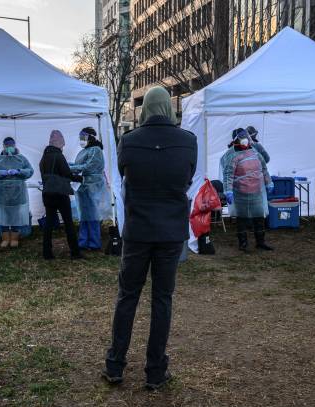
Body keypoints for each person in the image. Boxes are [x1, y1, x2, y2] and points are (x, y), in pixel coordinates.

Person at [103, 86, 197, 390]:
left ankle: (115, 364)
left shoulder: (129, 141)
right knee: (162, 299)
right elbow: (188, 177)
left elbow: (123, 171)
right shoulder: (187, 142)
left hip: (138, 229)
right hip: (170, 230)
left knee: (127, 296)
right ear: (169, 108)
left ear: (144, 111)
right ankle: (155, 371)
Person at [223, 128, 274, 252]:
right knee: (242, 218)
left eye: (245, 136)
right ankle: (243, 243)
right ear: (236, 139)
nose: (245, 139)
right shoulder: (232, 154)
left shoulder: (254, 151)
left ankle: (260, 242)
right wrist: (228, 191)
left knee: (259, 217)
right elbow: (228, 174)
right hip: (240, 192)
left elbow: (264, 168)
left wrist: (269, 182)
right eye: (241, 137)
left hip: (257, 191)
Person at [39, 130, 83, 260]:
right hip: (60, 194)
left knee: (48, 224)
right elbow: (67, 174)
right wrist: (80, 178)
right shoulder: (58, 155)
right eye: (62, 144)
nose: (63, 147)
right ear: (59, 143)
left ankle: (47, 253)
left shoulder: (44, 157)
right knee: (68, 223)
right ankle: (75, 252)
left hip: (47, 193)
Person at [0, 137, 34, 248]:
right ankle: (5, 238)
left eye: (11, 145)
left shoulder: (21, 158)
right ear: (3, 146)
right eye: (7, 145)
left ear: (15, 145)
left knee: (16, 216)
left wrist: (19, 171)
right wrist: (0, 172)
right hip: (2, 194)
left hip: (18, 193)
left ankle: (14, 239)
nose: (9, 147)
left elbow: (30, 171)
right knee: (3, 216)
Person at [69, 127, 112, 250]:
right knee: (84, 215)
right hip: (83, 187)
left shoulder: (96, 150)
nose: (81, 140)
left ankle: (94, 243)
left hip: (93, 186)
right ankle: (83, 242)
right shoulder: (84, 151)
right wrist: (69, 164)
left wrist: (70, 168)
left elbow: (89, 167)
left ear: (91, 137)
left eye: (84, 138)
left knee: (93, 215)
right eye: (80, 138)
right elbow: (80, 164)